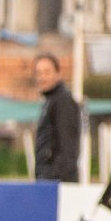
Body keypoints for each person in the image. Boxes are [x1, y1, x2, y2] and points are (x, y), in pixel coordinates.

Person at [33, 53, 80, 182]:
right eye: (38, 73)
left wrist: (55, 179)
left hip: (56, 181)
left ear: (58, 74)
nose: (42, 77)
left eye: (47, 72)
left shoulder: (63, 101)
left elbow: (67, 146)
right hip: (47, 178)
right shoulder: (50, 101)